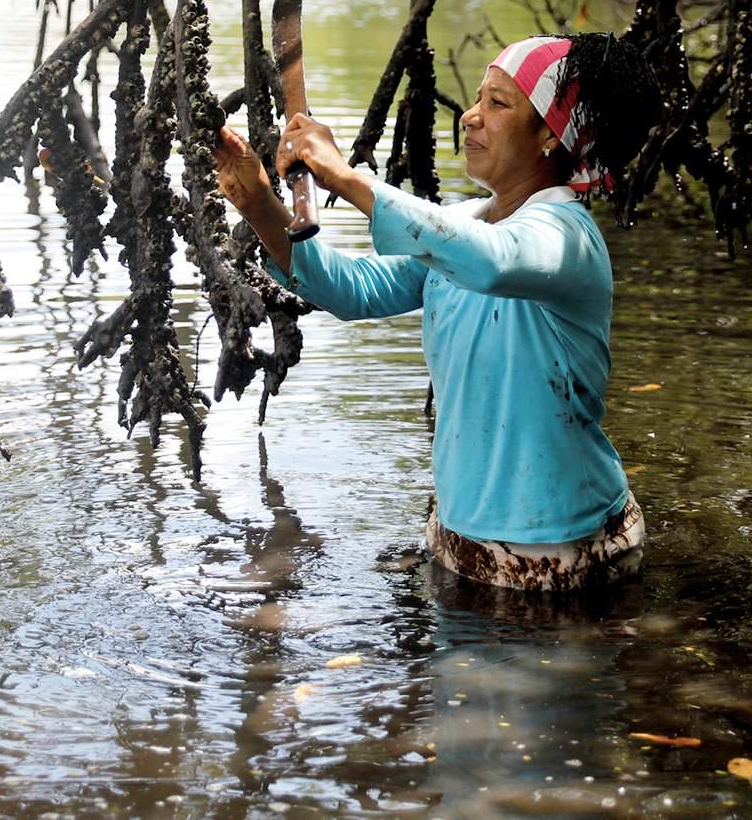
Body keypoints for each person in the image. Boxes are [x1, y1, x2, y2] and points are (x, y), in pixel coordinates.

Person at [214, 33, 662, 592]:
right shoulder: (468, 223)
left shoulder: (568, 237)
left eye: (498, 103)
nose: (471, 117)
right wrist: (259, 201)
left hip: (570, 554)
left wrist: (349, 178)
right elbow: (352, 289)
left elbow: (493, 263)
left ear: (550, 134)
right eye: (477, 99)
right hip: (459, 541)